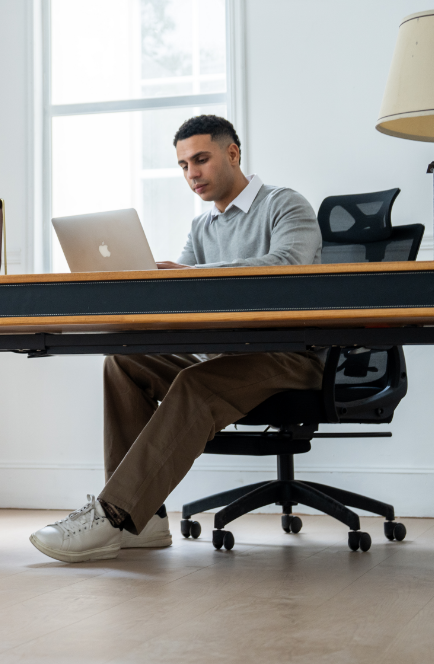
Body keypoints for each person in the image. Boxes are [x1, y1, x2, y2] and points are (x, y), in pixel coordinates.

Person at [29, 114, 325, 563]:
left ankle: (113, 514)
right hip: (224, 359)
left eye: (201, 160)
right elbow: (181, 293)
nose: (192, 174)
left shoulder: (285, 204)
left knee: (194, 382)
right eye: (184, 165)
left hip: (288, 358)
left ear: (232, 153)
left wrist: (192, 274)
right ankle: (142, 522)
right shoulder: (202, 228)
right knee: (124, 361)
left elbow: (288, 265)